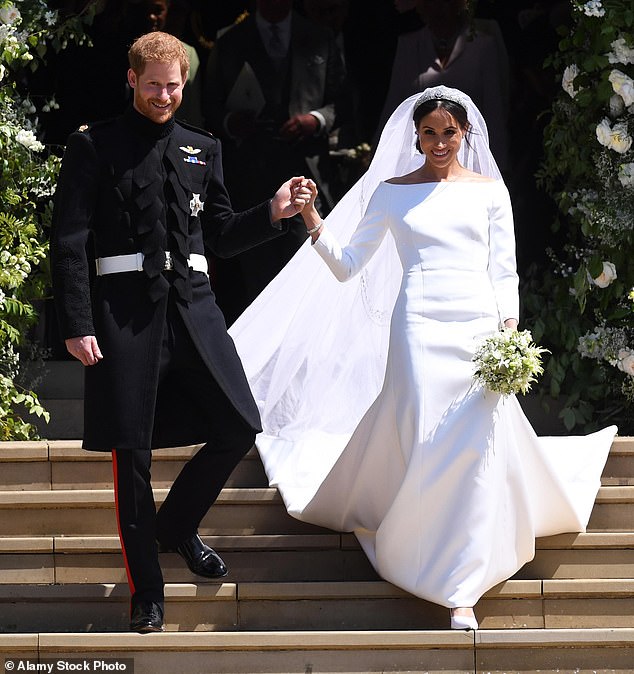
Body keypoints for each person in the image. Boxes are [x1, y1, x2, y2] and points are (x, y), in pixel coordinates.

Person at [228, 86, 617, 629]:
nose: (439, 142)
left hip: (479, 327)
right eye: (429, 132)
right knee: (423, 430)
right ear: (416, 135)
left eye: (448, 133)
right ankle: (433, 557)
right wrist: (313, 217)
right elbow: (346, 265)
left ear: (465, 135)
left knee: (473, 445)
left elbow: (502, 269)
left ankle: (462, 584)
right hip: (416, 325)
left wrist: (509, 331)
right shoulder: (391, 193)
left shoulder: (488, 192)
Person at [50, 30, 309, 634]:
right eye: (153, 86)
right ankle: (147, 591)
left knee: (239, 423)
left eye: (174, 87)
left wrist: (272, 213)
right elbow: (69, 243)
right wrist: (78, 323)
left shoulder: (202, 147)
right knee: (131, 454)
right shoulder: (94, 146)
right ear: (133, 80)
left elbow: (217, 234)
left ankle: (176, 527)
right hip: (123, 314)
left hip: (195, 309)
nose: (164, 96)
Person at [203, 0, 346, 323]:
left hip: (307, 176)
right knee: (260, 283)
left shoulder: (319, 37)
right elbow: (209, 108)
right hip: (251, 184)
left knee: (313, 273)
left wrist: (315, 120)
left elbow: (343, 102)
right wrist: (231, 123)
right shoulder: (230, 41)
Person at [376, 0, 510, 172]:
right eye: (432, 3)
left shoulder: (483, 47)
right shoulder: (408, 45)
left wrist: (498, 169)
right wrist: (378, 166)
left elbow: (494, 113)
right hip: (419, 163)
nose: (440, 9)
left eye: (446, 2)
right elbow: (393, 109)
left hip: (471, 162)